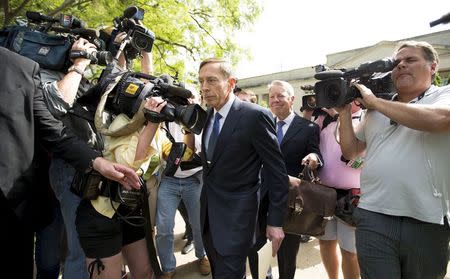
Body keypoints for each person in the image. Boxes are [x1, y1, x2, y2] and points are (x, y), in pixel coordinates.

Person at [0, 46, 140, 278]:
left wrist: (97, 162)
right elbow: (59, 102)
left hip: (13, 209)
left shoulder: (20, 67)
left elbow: (54, 132)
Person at [41, 34, 153, 278]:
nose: (90, 48)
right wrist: (79, 62)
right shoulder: (44, 73)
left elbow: (116, 90)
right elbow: (56, 104)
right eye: (81, 43)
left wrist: (123, 48)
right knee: (82, 251)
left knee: (101, 249)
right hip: (71, 171)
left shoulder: (83, 80)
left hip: (99, 168)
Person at [336, 40, 450, 279]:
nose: (401, 66)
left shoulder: (443, 95)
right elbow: (350, 151)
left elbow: (441, 119)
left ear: (433, 67)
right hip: (372, 215)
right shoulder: (374, 109)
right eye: (396, 63)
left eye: (410, 60)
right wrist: (344, 112)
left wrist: (375, 102)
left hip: (426, 219)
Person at [198, 58, 289, 279]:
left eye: (211, 80)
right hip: (209, 215)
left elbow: (277, 172)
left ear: (230, 82)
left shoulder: (254, 116)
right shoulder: (207, 115)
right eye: (200, 81)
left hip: (239, 218)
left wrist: (275, 222)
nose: (204, 88)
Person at [268, 80, 322, 279]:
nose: (275, 100)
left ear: (291, 99)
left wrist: (314, 159)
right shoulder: (262, 124)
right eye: (272, 96)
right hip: (261, 195)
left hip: (291, 200)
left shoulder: (308, 127)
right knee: (258, 247)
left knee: (287, 252)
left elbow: (316, 153)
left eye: (280, 96)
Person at [304, 104, 362, 279]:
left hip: (352, 196)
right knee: (326, 243)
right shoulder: (322, 120)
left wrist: (356, 161)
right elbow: (306, 143)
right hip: (324, 194)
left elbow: (374, 158)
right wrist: (308, 113)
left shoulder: (365, 117)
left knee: (350, 251)